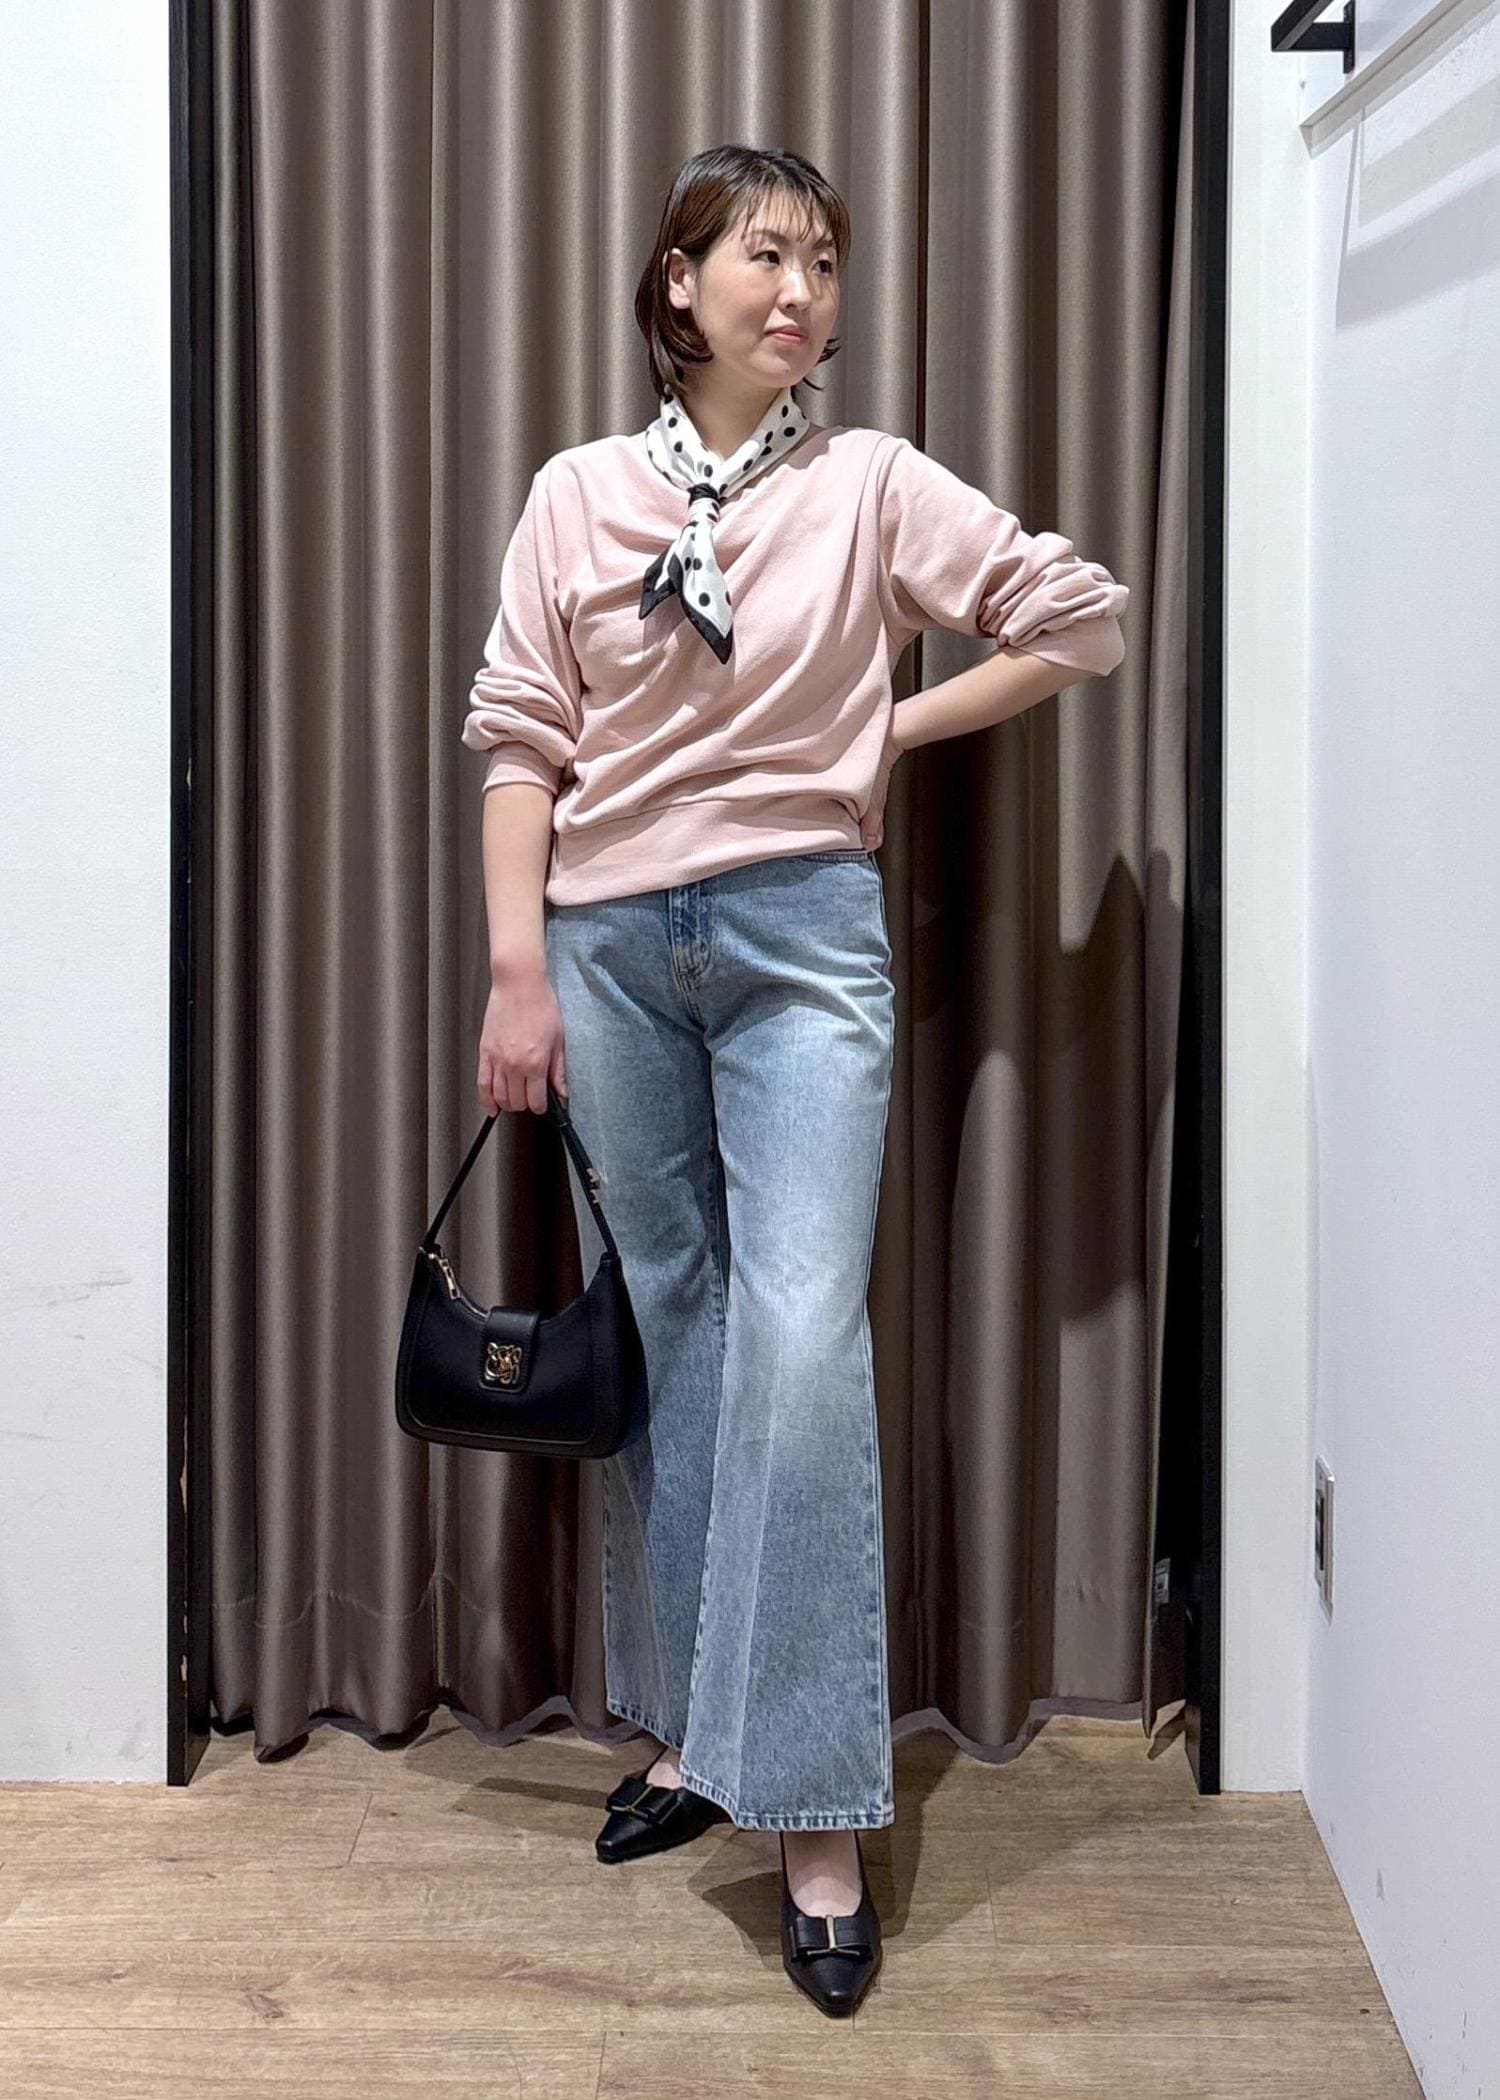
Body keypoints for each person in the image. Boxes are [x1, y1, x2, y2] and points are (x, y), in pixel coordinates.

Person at [464, 144, 1128, 2017]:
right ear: (680, 283)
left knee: (805, 1329)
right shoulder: (579, 496)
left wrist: (885, 729)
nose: (802, 290)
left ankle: (817, 1811)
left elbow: (1079, 617)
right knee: (670, 1323)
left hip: (802, 943)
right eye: (766, 254)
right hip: (603, 945)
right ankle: (694, 1730)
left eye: (825, 261)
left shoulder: (869, 485)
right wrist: (516, 970)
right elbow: (519, 737)